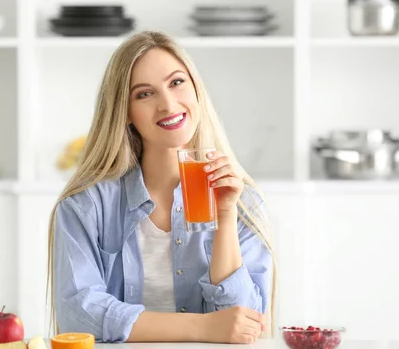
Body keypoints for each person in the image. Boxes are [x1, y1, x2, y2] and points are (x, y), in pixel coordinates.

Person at [46, 30, 276, 344]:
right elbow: (78, 315)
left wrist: (225, 215)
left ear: (197, 90)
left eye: (176, 82)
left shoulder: (244, 203)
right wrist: (201, 328)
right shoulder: (85, 206)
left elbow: (244, 325)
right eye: (144, 93)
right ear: (125, 112)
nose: (168, 104)